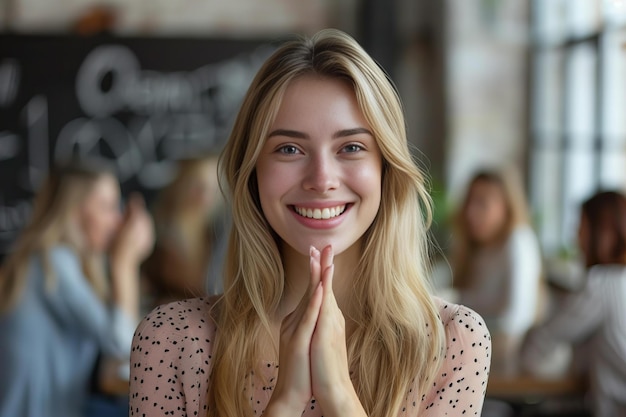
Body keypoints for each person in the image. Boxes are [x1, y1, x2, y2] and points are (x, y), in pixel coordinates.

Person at [129, 29, 491, 417]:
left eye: (351, 147)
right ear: (252, 173)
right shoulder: (170, 339)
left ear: (387, 171)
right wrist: (283, 403)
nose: (321, 178)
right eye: (289, 148)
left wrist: (340, 397)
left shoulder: (453, 341)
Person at [0, 161, 154, 417]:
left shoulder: (63, 261)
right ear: (73, 211)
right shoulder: (52, 262)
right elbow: (125, 346)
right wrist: (125, 263)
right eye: (106, 207)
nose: (117, 221)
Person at [522, 191, 626, 417]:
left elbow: (542, 340)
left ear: (602, 232)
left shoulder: (604, 283)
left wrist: (524, 358)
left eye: (581, 227)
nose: (575, 237)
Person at [451, 169, 543, 375]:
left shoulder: (518, 241)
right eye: (469, 202)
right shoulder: (477, 249)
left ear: (507, 207)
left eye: (482, 203)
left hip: (505, 367)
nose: (471, 212)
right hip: (475, 362)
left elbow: (516, 318)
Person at [142, 154, 226, 305]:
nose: (205, 197)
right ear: (182, 184)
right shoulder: (157, 230)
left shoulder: (217, 234)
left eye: (213, 188)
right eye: (198, 186)